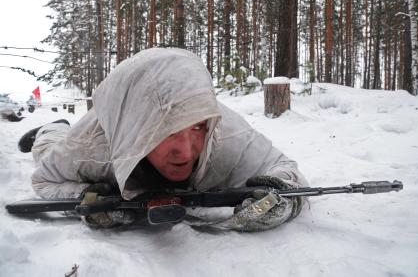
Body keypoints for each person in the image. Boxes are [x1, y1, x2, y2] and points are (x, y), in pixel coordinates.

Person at [18, 48, 308, 231]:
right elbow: (44, 181)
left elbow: (287, 171)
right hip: (88, 134)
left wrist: (282, 199)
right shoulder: (90, 146)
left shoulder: (227, 136)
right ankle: (51, 128)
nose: (184, 151)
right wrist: (88, 195)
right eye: (166, 131)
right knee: (47, 148)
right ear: (137, 130)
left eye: (196, 128)